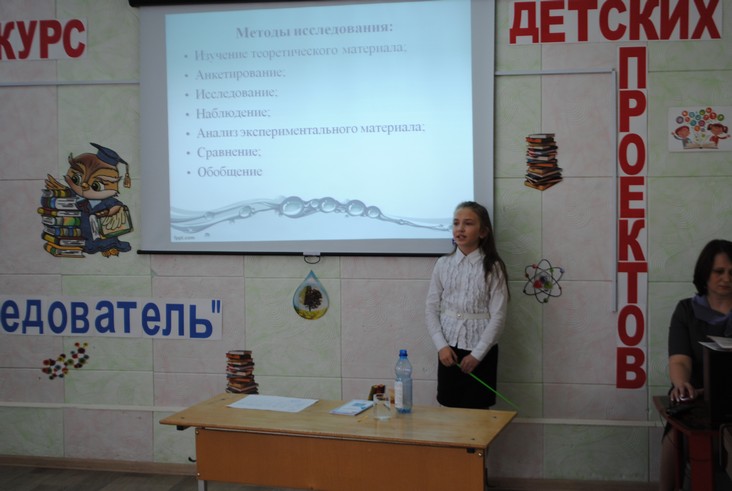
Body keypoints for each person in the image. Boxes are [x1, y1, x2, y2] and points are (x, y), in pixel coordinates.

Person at [659, 239, 732, 491]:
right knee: (675, 434)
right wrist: (682, 384)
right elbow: (679, 360)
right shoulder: (686, 310)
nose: (726, 278)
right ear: (705, 273)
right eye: (719, 271)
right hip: (695, 395)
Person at [425, 201, 509, 409]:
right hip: (449, 352)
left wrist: (477, 355)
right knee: (449, 411)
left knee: (478, 415)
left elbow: (498, 315)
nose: (460, 229)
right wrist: (441, 346)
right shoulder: (443, 264)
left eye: (468, 223)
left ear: (483, 232)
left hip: (481, 352)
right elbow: (431, 308)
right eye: (456, 223)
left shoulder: (493, 267)